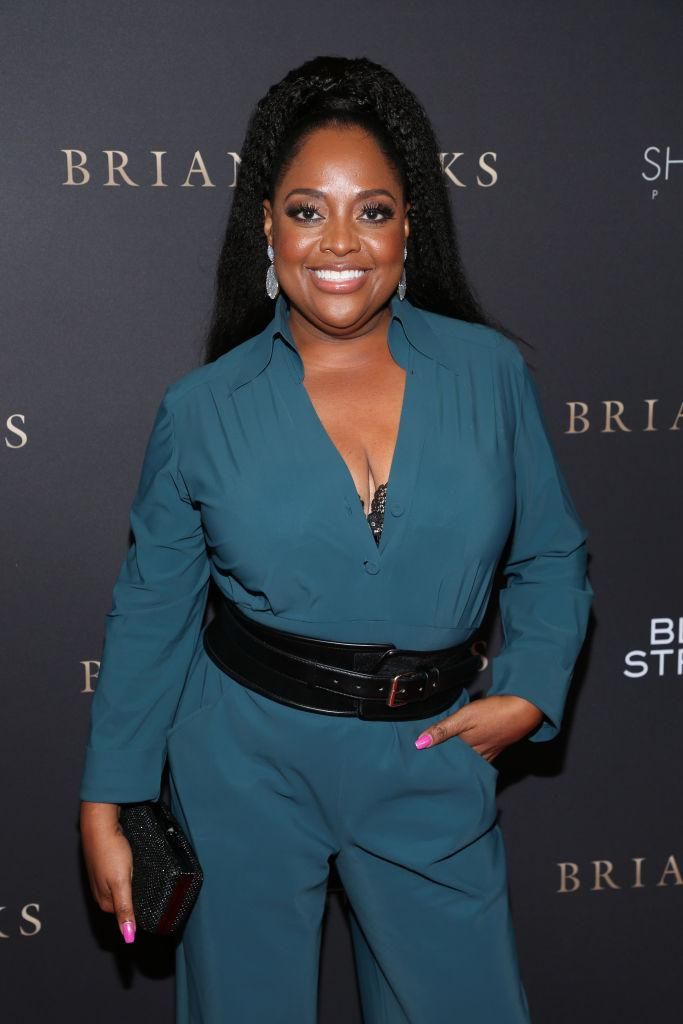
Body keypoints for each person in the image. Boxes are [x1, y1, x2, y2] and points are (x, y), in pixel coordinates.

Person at [79, 55, 594, 1024]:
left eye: (374, 210)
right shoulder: (202, 408)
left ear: (409, 227)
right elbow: (152, 611)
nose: (341, 242)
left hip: (428, 755)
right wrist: (108, 799)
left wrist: (529, 688)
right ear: (267, 228)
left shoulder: (487, 374)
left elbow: (550, 555)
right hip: (243, 761)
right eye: (308, 210)